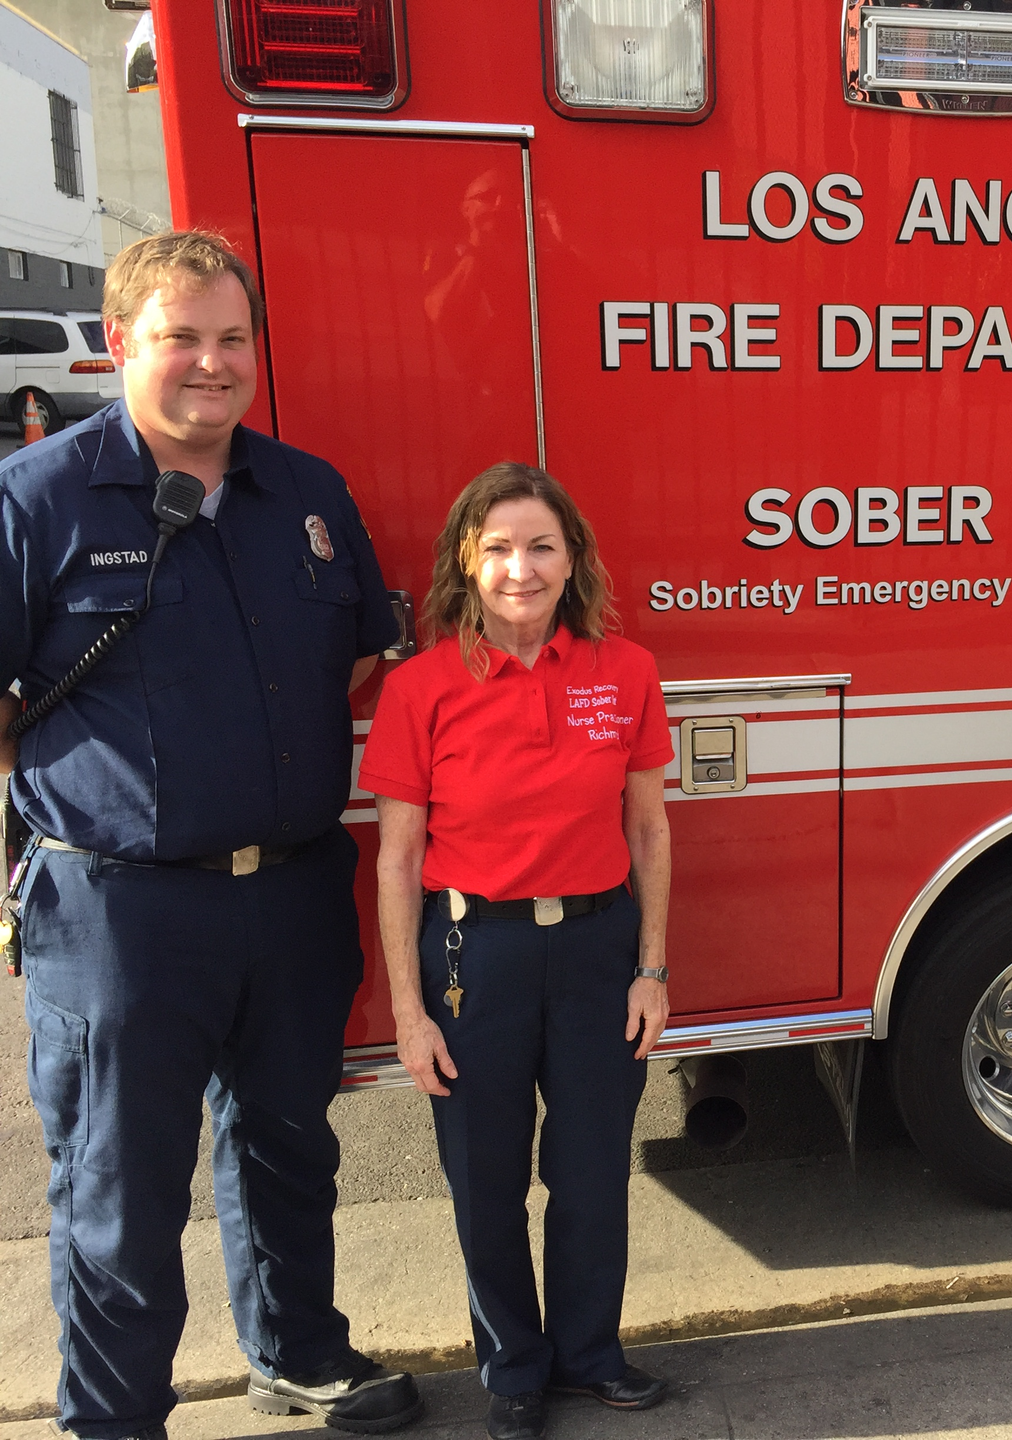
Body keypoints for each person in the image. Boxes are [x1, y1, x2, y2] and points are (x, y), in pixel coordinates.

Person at [0, 231, 422, 1439]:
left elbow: (355, 659)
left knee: (288, 1146)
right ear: (119, 342)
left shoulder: (308, 493)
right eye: (181, 336)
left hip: (291, 894)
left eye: (233, 338)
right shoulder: (38, 498)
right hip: (121, 912)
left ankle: (297, 1357)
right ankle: (114, 1420)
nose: (212, 363)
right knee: (119, 1186)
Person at [360, 463, 675, 1440]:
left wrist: (652, 969)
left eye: (542, 546)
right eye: (497, 547)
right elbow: (397, 859)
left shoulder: (626, 670)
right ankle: (513, 1372)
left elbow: (650, 829)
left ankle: (588, 1356)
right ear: (467, 561)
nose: (520, 568)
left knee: (592, 1174)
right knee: (486, 1182)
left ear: (573, 559)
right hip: (474, 958)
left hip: (597, 951)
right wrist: (410, 1013)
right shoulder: (419, 687)